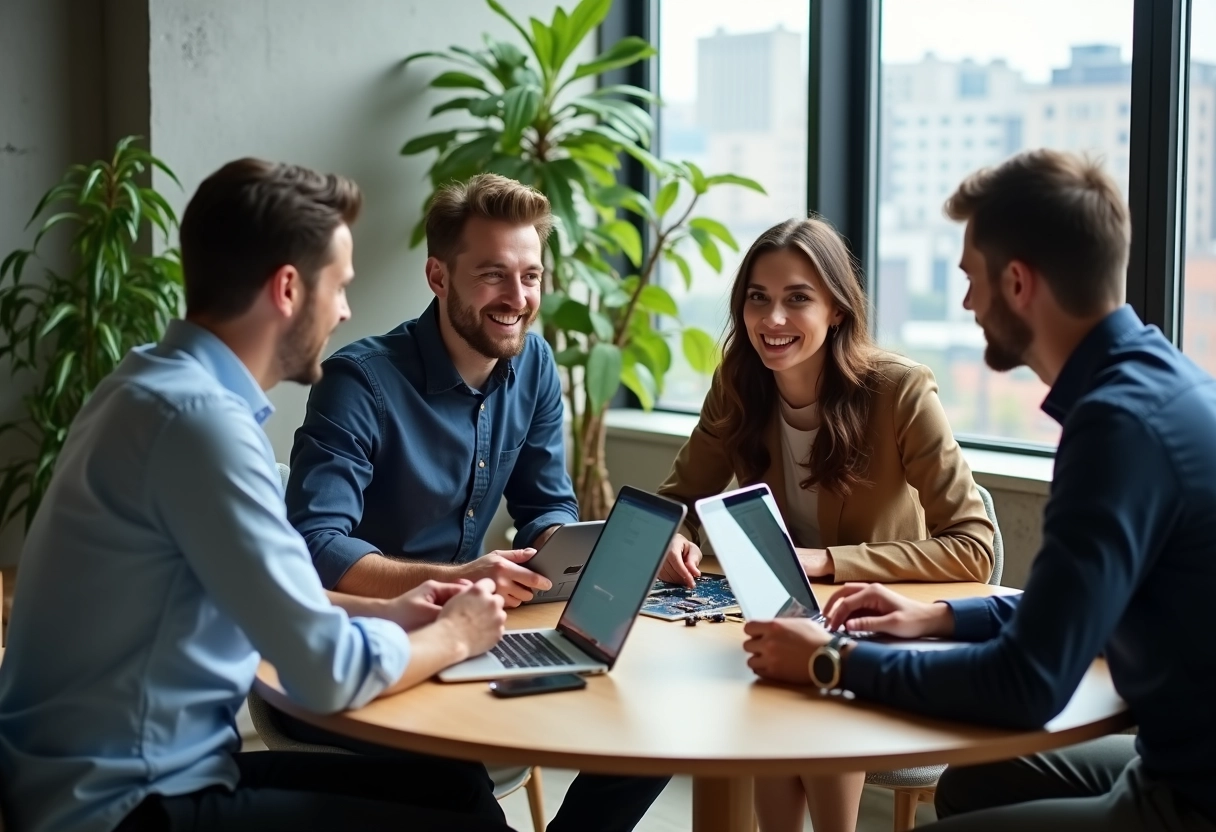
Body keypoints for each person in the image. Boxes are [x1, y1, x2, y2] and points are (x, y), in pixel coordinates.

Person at [0, 159, 513, 832]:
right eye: (341, 286)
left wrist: (390, 610)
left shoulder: (145, 386)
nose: (346, 310)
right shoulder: (201, 424)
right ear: (289, 289)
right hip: (123, 807)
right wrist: (454, 636)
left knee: (456, 788)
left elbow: (255, 593)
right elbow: (325, 673)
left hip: (129, 775)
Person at [743, 149, 1216, 831]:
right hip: (1168, 756)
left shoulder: (1117, 428)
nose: (966, 303)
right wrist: (937, 617)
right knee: (980, 780)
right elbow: (1071, 607)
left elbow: (1026, 685)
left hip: (1191, 798)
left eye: (971, 279)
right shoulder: (1160, 383)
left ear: (1018, 282)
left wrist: (829, 658)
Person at [282, 173, 668, 832]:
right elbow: (315, 550)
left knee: (650, 726)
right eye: (493, 275)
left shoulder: (535, 365)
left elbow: (546, 505)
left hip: (475, 637)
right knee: (453, 780)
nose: (517, 298)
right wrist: (457, 578)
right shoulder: (360, 383)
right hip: (367, 648)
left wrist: (579, 551)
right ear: (438, 276)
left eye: (530, 277)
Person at [655, 216, 996, 832]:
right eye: (758, 298)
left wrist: (826, 560)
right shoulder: (737, 385)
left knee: (810, 680)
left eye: (797, 299)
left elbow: (973, 548)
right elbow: (676, 501)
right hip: (785, 618)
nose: (773, 320)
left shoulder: (900, 391)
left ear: (837, 309)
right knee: (772, 674)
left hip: (882, 621)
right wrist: (673, 536)